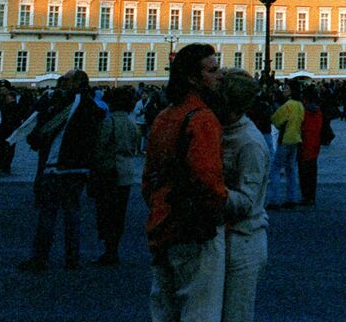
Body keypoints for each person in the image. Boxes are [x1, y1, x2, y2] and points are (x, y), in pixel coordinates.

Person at [143, 43, 227, 322]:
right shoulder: (202, 119)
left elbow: (148, 179)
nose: (220, 76)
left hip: (162, 224)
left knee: (164, 311)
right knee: (199, 311)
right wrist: (217, 209)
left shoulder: (164, 116)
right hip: (194, 230)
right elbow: (208, 180)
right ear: (193, 78)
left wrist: (159, 207)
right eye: (213, 70)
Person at [20, 70, 105, 271]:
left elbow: (46, 127)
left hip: (59, 167)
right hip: (78, 169)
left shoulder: (70, 104)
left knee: (48, 213)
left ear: (77, 83)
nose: (62, 83)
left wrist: (35, 137)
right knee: (72, 214)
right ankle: (72, 258)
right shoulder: (90, 105)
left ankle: (40, 258)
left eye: (66, 80)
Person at [219, 70, 269, 322]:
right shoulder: (222, 131)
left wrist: (207, 190)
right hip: (223, 237)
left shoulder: (250, 142)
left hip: (243, 240)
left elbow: (246, 201)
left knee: (236, 314)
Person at [90, 86, 140, 266]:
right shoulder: (131, 122)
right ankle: (114, 249)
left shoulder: (109, 122)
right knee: (119, 213)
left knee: (106, 211)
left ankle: (108, 250)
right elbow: (135, 145)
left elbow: (100, 147)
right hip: (127, 172)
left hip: (110, 172)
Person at [266, 82, 303, 209]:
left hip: (285, 138)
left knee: (275, 169)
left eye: (286, 88)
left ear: (292, 90)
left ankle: (274, 200)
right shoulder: (299, 105)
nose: (283, 90)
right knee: (291, 169)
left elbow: (276, 120)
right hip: (296, 139)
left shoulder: (288, 105)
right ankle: (291, 198)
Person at [297, 86, 323, 205]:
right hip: (315, 144)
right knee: (313, 171)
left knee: (304, 172)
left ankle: (306, 196)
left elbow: (302, 127)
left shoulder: (304, 111)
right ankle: (312, 195)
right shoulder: (318, 111)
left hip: (304, 144)